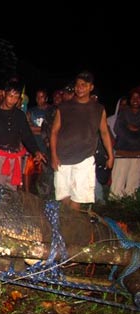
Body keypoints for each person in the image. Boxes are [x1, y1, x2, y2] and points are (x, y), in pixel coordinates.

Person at [50, 71, 114, 211]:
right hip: (63, 157)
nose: (80, 88)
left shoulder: (98, 109)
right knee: (63, 195)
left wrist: (110, 155)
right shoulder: (65, 107)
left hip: (85, 158)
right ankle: (67, 223)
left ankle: (73, 227)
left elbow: (104, 132)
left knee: (78, 196)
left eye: (84, 85)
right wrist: (54, 155)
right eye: (78, 85)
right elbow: (54, 131)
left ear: (91, 87)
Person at [0, 80, 45, 190]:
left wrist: (36, 151)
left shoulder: (20, 115)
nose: (13, 100)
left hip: (14, 159)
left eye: (16, 97)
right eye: (10, 95)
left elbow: (27, 135)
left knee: (11, 194)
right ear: (4, 94)